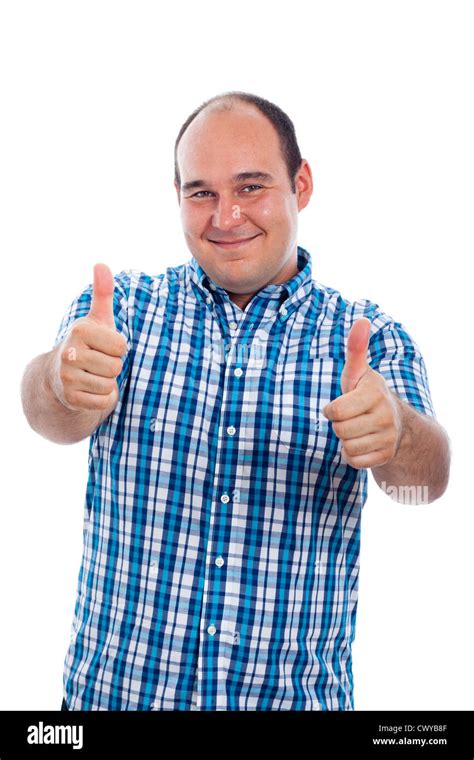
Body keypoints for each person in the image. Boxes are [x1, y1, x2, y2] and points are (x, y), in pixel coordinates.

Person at [21, 91, 450, 711]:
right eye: (201, 192)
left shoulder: (369, 336)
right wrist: (60, 383)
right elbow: (52, 419)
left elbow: (424, 484)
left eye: (251, 187)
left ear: (301, 185)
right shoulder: (124, 311)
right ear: (178, 197)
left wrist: (398, 435)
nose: (225, 216)